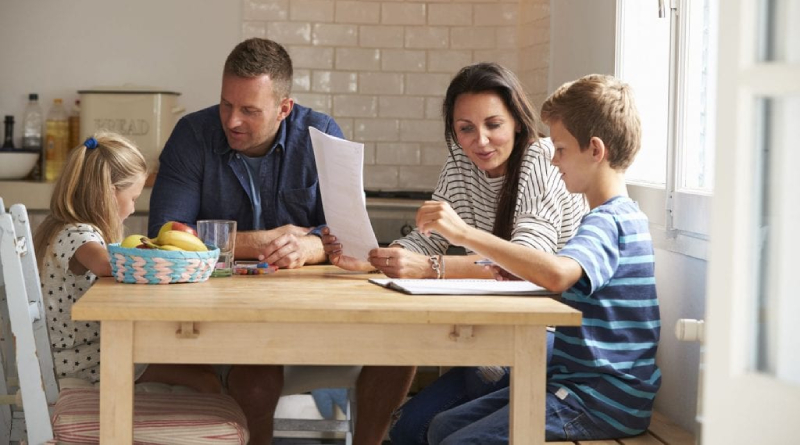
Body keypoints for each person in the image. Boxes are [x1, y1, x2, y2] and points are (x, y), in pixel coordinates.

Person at [148, 37, 415, 444]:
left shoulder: (321, 134)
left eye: (249, 110)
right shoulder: (192, 135)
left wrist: (314, 245)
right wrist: (262, 242)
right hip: (224, 317)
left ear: (284, 108)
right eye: (226, 104)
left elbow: (353, 237)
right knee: (256, 378)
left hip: (314, 315)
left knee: (400, 349)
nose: (232, 120)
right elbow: (166, 235)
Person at [322, 62, 586, 444]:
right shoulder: (460, 164)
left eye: (493, 124)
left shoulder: (540, 159)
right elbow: (426, 241)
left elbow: (526, 266)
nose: (480, 141)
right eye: (466, 129)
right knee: (407, 429)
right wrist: (375, 257)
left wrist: (429, 268)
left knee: (444, 428)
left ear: (516, 120)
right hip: (492, 334)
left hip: (546, 339)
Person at [413, 74, 661, 444]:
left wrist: (463, 234)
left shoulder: (610, 222)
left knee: (456, 441)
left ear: (595, 150)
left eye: (560, 149)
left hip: (599, 400)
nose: (554, 159)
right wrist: (518, 274)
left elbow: (559, 274)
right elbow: (573, 289)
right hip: (576, 387)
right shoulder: (614, 218)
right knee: (442, 426)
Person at [33, 132, 220, 393]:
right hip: (81, 362)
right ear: (108, 194)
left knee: (202, 368)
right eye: (132, 198)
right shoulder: (77, 234)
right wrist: (162, 255)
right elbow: (107, 265)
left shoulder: (61, 225)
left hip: (83, 353)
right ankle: (183, 433)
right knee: (206, 380)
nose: (133, 209)